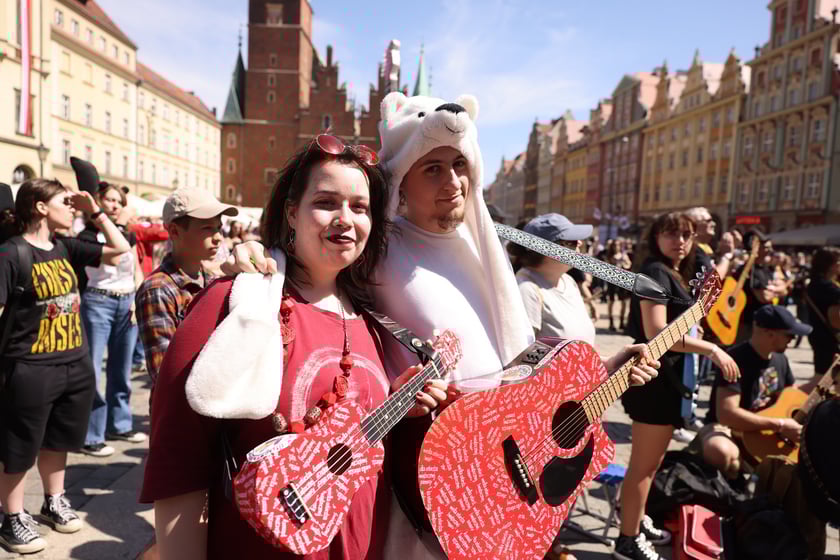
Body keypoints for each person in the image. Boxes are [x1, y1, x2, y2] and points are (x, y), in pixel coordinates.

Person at [371, 92, 659, 560]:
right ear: (401, 180)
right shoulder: (378, 252)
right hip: (426, 482)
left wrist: (606, 370)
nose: (452, 181)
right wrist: (265, 262)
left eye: (459, 165)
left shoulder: (483, 249)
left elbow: (520, 375)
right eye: (432, 168)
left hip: (501, 479)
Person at [140, 135, 423, 560]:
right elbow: (179, 464)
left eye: (360, 207)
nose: (345, 219)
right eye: (326, 202)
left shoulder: (373, 319)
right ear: (292, 213)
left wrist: (405, 408)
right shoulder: (235, 302)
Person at [0, 179, 130, 553]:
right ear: (40, 207)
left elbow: (120, 249)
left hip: (73, 362)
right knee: (18, 447)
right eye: (65, 201)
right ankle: (11, 518)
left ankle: (53, 500)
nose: (73, 206)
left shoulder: (65, 246)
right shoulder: (11, 254)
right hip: (28, 367)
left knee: (58, 440)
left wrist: (96, 211)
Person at [616, 212, 740, 560]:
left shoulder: (673, 273)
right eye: (670, 234)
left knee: (651, 464)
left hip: (666, 381)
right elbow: (657, 331)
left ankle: (637, 521)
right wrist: (711, 348)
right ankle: (627, 539)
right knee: (642, 466)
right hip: (652, 380)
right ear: (655, 238)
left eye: (686, 234)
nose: (680, 241)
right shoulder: (655, 272)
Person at [689, 305, 811, 479]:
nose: (792, 340)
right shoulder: (736, 359)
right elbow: (727, 415)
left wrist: (826, 382)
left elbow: (790, 396)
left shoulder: (780, 359)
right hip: (727, 429)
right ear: (769, 333)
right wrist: (780, 425)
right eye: (789, 335)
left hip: (763, 432)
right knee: (721, 451)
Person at [76, 183, 146, 457]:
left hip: (125, 302)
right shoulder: (87, 236)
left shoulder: (126, 234)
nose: (115, 205)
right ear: (97, 202)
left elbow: (136, 270)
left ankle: (119, 424)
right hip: (98, 301)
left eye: (119, 201)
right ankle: (92, 435)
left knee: (122, 368)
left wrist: (136, 297)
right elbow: (116, 261)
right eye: (109, 199)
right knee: (94, 370)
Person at [508, 213, 596, 345]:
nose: (580, 242)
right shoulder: (526, 290)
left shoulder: (568, 281)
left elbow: (580, 352)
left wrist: (611, 360)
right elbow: (521, 357)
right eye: (571, 241)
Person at [804, 247, 840, 388]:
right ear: (831, 265)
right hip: (828, 338)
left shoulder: (815, 283)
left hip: (820, 335)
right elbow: (836, 317)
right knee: (821, 381)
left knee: (826, 378)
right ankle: (794, 401)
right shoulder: (828, 287)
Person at [605, 239, 632, 332]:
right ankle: (611, 322)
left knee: (624, 302)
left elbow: (629, 265)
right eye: (614, 245)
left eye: (617, 245)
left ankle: (621, 322)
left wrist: (624, 264)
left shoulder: (624, 255)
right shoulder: (609, 256)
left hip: (622, 281)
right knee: (611, 302)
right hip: (612, 281)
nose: (616, 247)